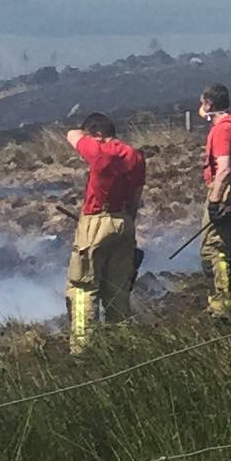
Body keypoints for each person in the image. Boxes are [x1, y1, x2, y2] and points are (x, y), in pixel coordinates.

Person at [56, 111, 147, 351]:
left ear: (97, 135)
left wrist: (84, 135)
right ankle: (123, 342)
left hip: (96, 222)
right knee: (118, 289)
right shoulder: (136, 157)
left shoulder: (99, 151)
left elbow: (72, 135)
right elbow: (136, 198)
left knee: (83, 286)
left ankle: (82, 348)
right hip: (124, 221)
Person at [197, 84, 231, 318]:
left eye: (202, 103)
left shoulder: (222, 130)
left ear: (209, 104)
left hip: (227, 191)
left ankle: (221, 304)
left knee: (213, 248)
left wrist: (215, 200)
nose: (200, 108)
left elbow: (224, 169)